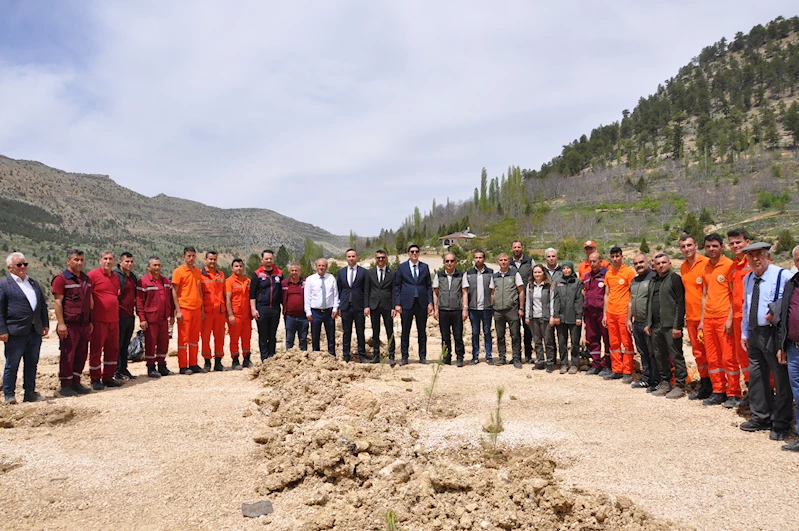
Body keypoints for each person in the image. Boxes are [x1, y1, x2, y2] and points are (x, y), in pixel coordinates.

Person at [739, 242, 791, 441]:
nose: (755, 259)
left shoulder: (782, 275)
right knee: (757, 376)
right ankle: (761, 416)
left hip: (774, 333)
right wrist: (745, 332)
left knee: (780, 378)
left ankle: (781, 422)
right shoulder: (748, 278)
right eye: (750, 256)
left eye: (759, 254)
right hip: (755, 332)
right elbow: (746, 306)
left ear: (767, 255)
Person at [1, 253, 48, 403]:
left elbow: (42, 305)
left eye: (24, 264)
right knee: (12, 364)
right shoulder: (4, 284)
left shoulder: (33, 283)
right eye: (19, 265)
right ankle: (9, 394)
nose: (23, 267)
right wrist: (2, 330)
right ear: (10, 267)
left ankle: (30, 393)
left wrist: (45, 323)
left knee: (32, 363)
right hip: (15, 331)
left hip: (34, 331)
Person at [698, 234, 739, 407]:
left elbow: (733, 295)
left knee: (728, 357)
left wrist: (729, 319)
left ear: (722, 247)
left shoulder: (729, 266)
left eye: (715, 246)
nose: (711, 249)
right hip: (708, 319)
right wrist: (701, 320)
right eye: (708, 246)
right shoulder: (705, 267)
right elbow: (705, 296)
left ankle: (734, 392)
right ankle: (718, 390)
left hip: (723, 317)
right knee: (713, 358)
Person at [645, 253, 688, 399]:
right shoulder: (653, 280)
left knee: (676, 354)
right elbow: (649, 302)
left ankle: (681, 384)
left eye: (664, 262)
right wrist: (648, 323)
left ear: (669, 263)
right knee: (660, 355)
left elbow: (680, 302)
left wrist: (677, 325)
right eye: (658, 263)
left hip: (670, 325)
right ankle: (665, 382)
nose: (661, 265)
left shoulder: (674, 278)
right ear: (654, 266)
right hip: (656, 325)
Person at [52, 249, 93, 396]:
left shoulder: (86, 279)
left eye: (81, 260)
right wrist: (61, 323)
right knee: (68, 355)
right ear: (68, 261)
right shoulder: (61, 279)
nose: (79, 263)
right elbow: (57, 302)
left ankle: (76, 382)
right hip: (70, 324)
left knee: (81, 354)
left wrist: (90, 321)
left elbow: (90, 302)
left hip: (84, 324)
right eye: (76, 260)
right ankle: (65, 385)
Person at [679, 234, 711, 401]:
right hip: (690, 317)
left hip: (706, 317)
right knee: (698, 353)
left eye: (689, 245)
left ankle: (717, 385)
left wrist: (704, 318)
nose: (687, 249)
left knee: (711, 353)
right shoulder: (683, 267)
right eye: (683, 246)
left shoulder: (706, 263)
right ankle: (705, 383)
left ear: (696, 245)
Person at [87, 251, 124, 390]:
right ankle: (95, 379)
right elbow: (88, 296)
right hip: (98, 320)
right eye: (105, 259)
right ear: (100, 260)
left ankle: (108, 377)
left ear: (114, 262)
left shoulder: (115, 277)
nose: (108, 261)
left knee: (112, 349)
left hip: (114, 320)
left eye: (111, 259)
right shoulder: (92, 275)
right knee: (96, 350)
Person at [394, 244, 433, 365]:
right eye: (412, 251)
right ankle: (404, 357)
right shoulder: (402, 267)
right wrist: (397, 303)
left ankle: (422, 356)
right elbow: (397, 286)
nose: (414, 253)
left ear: (419, 253)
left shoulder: (424, 267)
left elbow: (428, 286)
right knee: (405, 331)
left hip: (421, 303)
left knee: (422, 331)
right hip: (406, 303)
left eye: (416, 251)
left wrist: (430, 302)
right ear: (408, 253)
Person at [776, 244, 799, 452]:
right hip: (793, 348)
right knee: (798, 393)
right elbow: (784, 315)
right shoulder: (792, 283)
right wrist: (782, 345)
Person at [136, 256, 175, 378]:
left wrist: (172, 314)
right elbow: (139, 302)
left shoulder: (165, 281)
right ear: (148, 267)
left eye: (159, 265)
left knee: (164, 343)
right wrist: (142, 318)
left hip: (163, 318)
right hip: (150, 319)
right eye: (154, 265)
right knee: (151, 343)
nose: (157, 267)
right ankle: (151, 367)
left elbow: (171, 299)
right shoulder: (143, 282)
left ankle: (162, 366)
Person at [727, 228, 752, 408]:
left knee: (758, 357)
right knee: (742, 358)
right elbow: (731, 295)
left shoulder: (753, 262)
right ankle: (753, 392)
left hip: (751, 318)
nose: (735, 246)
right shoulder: (733, 266)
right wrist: (729, 318)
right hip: (737, 318)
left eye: (739, 242)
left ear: (747, 242)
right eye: (732, 243)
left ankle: (770, 394)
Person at [603, 246, 636, 382]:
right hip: (611, 312)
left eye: (617, 256)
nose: (615, 259)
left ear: (622, 257)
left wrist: (630, 315)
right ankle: (616, 369)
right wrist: (605, 314)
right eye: (613, 256)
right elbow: (606, 294)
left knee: (626, 342)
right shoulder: (609, 273)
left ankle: (628, 371)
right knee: (614, 342)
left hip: (623, 313)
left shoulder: (629, 273)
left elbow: (633, 295)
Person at [172, 246, 207, 375]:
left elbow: (199, 291)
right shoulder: (178, 272)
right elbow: (174, 292)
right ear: (184, 257)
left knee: (194, 339)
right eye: (189, 256)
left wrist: (202, 308)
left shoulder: (198, 272)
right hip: (184, 308)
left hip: (196, 309)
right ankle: (183, 365)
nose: (191, 258)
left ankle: (193, 363)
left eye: (193, 256)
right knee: (183, 339)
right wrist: (178, 310)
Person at [627, 254, 657, 389]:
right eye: (636, 263)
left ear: (647, 262)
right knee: (643, 352)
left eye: (641, 262)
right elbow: (631, 301)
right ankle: (646, 378)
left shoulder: (654, 278)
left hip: (649, 323)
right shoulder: (634, 281)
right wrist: (628, 319)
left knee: (653, 353)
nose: (639, 265)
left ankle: (656, 380)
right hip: (637, 322)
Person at [433, 252, 468, 366]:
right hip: (443, 310)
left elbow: (464, 293)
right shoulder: (439, 276)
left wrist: (465, 309)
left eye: (451, 261)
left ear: (455, 262)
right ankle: (446, 357)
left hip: (456, 310)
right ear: (443, 263)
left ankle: (459, 357)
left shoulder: (461, 275)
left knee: (458, 335)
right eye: (447, 261)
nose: (449, 263)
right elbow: (436, 293)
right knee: (445, 335)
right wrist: (435, 309)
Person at [492, 253, 525, 367]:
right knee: (500, 335)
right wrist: (493, 306)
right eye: (501, 260)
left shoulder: (515, 274)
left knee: (515, 335)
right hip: (498, 310)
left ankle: (516, 358)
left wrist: (521, 308)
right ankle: (502, 357)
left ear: (509, 261)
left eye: (505, 260)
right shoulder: (494, 276)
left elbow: (521, 291)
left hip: (512, 309)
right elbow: (492, 292)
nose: (503, 262)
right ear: (498, 262)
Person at [364, 249, 396, 365]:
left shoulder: (392, 273)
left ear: (386, 258)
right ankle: (376, 355)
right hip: (374, 305)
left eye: (383, 257)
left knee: (389, 331)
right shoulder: (370, 273)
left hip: (387, 305)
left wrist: (394, 306)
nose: (381, 259)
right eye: (378, 257)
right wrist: (366, 306)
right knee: (375, 331)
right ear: (375, 259)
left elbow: (394, 291)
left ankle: (391, 356)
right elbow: (367, 290)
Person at [249, 250, 282, 362]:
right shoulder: (257, 274)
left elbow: (282, 291)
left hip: (275, 309)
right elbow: (252, 293)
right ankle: (264, 359)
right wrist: (253, 309)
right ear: (261, 260)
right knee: (263, 335)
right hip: (262, 308)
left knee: (272, 335)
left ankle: (272, 358)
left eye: (270, 259)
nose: (268, 261)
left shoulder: (279, 273)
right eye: (266, 259)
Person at [336, 249, 368, 362]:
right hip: (345, 306)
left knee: (360, 331)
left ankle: (362, 355)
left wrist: (366, 306)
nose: (351, 258)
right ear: (346, 258)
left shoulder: (364, 272)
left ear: (357, 257)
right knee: (346, 332)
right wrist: (338, 306)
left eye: (353, 256)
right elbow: (338, 290)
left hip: (359, 306)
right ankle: (346, 355)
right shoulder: (341, 272)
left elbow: (366, 290)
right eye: (349, 256)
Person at [552, 260, 583, 374]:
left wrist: (579, 316)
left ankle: (574, 363)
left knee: (575, 341)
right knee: (562, 341)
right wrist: (556, 315)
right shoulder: (558, 282)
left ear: (572, 269)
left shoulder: (577, 283)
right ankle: (564, 363)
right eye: (564, 268)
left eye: (568, 268)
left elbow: (579, 300)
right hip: (561, 317)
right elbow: (556, 300)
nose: (566, 270)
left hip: (574, 317)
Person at [583, 252, 612, 375]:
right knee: (593, 338)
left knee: (606, 339)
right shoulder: (587, 276)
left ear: (601, 261)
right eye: (591, 261)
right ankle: (596, 364)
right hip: (589, 312)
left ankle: (607, 365)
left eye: (595, 261)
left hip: (602, 311)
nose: (593, 263)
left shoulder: (606, 275)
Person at [304, 258, 339, 356]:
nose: (321, 267)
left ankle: (332, 356)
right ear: (316, 267)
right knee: (315, 335)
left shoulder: (331, 278)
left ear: (326, 267)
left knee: (331, 335)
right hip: (315, 312)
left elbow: (335, 294)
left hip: (329, 311)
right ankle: (316, 355)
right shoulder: (310, 279)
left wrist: (335, 308)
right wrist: (308, 311)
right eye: (319, 265)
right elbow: (307, 296)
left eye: (323, 266)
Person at [465, 250, 494, 365]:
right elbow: (465, 291)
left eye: (480, 257)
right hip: (473, 308)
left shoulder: (490, 273)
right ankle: (475, 356)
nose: (478, 260)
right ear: (474, 259)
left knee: (487, 332)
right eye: (476, 257)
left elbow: (493, 291)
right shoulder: (468, 273)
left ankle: (489, 355)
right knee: (475, 332)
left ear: (484, 259)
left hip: (486, 308)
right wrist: (466, 308)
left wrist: (492, 306)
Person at [525, 264, 555, 371]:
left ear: (543, 273)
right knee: (537, 341)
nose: (537, 274)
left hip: (546, 317)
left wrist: (552, 316)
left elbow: (552, 301)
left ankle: (550, 362)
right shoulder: (530, 286)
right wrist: (527, 315)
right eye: (535, 272)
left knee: (548, 340)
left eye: (539, 272)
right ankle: (540, 361)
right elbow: (528, 302)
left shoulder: (549, 286)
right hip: (534, 318)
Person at [200, 251, 227, 371]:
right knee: (205, 338)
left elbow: (224, 293)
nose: (212, 261)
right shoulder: (201, 275)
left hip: (220, 311)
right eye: (210, 259)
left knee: (220, 337)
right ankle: (207, 362)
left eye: (214, 259)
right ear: (205, 259)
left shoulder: (221, 275)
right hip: (207, 311)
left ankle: (218, 362)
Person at [113, 252, 137, 380]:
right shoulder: (116, 276)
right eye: (127, 261)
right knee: (117, 343)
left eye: (131, 261)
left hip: (129, 315)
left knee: (126, 343)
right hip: (119, 315)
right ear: (120, 262)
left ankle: (123, 368)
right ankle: (116, 370)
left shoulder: (132, 277)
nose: (129, 264)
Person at [510, 240, 535, 363]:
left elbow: (536, 277)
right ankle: (516, 356)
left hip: (528, 301)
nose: (517, 249)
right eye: (514, 247)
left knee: (528, 330)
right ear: (511, 249)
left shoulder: (530, 261)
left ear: (522, 248)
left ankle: (529, 355)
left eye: (519, 247)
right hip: (512, 301)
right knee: (514, 331)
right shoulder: (507, 263)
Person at [226, 258, 253, 369]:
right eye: (236, 266)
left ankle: (246, 359)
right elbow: (228, 298)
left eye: (241, 266)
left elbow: (251, 297)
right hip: (235, 315)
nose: (239, 268)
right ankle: (235, 360)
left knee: (247, 338)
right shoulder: (229, 281)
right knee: (234, 339)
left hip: (246, 315)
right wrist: (230, 314)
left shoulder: (248, 281)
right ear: (232, 268)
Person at [281, 262, 308, 352]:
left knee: (303, 339)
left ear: (300, 271)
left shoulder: (305, 283)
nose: (294, 272)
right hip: (289, 316)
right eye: (292, 270)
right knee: (289, 339)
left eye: (296, 270)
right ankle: (289, 358)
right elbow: (280, 297)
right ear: (289, 272)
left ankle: (304, 358)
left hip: (303, 316)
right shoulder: (284, 283)